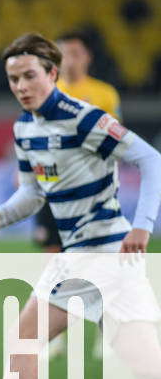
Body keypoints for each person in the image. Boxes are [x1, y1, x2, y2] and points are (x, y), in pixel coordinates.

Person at [0, 32, 161, 379]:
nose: (21, 85)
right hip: (79, 256)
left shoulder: (85, 119)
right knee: (142, 365)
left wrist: (142, 225)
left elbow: (151, 160)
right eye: (13, 78)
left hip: (108, 254)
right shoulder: (24, 128)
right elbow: (32, 194)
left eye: (29, 76)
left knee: (141, 366)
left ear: (52, 74)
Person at [32, 31, 123, 252]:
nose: (69, 59)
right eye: (63, 53)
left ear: (87, 56)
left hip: (93, 184)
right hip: (54, 183)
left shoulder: (105, 93)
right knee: (52, 252)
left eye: (75, 53)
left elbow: (116, 138)